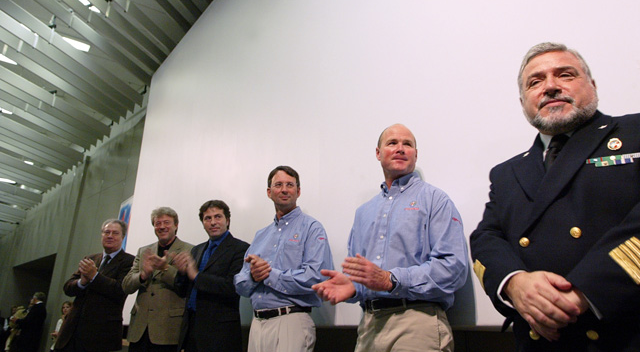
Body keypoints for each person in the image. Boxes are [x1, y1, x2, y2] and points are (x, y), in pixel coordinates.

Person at [470, 42, 640, 351]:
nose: (550, 86)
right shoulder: (506, 173)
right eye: (535, 82)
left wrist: (583, 292)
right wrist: (514, 282)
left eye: (565, 75)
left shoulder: (634, 132)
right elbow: (486, 238)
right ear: (524, 102)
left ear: (592, 85)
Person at [313, 124, 469, 352]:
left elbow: (453, 268)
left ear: (416, 154)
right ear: (378, 153)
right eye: (392, 143)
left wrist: (391, 279)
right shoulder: (363, 213)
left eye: (408, 144)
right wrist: (354, 287)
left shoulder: (436, 200)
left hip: (417, 322)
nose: (400, 148)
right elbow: (364, 276)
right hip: (369, 327)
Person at [234, 166, 334, 352]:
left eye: (290, 185)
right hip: (257, 325)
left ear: (298, 191)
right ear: (269, 192)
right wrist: (253, 277)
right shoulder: (261, 235)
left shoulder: (312, 228)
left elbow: (317, 278)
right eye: (278, 185)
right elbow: (240, 283)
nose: (284, 189)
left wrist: (269, 274)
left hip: (291, 322)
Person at [174, 200, 249, 352]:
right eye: (207, 218)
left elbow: (232, 286)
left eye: (218, 217)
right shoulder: (197, 250)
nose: (213, 222)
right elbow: (182, 291)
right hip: (191, 328)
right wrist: (182, 274)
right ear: (203, 223)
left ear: (227, 221)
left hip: (220, 333)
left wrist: (196, 276)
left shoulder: (241, 248)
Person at [54, 219, 135, 352]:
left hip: (100, 336)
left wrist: (94, 276)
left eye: (115, 233)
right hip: (72, 332)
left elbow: (120, 290)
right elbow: (68, 288)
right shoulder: (91, 259)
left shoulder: (130, 261)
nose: (110, 236)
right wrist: (82, 282)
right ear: (101, 235)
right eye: (106, 232)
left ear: (123, 237)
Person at [122, 207, 193, 352]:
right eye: (157, 223)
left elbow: (187, 287)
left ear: (176, 225)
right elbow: (126, 286)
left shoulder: (190, 250)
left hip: (168, 330)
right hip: (139, 329)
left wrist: (165, 268)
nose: (162, 226)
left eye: (166, 222)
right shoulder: (144, 251)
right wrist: (143, 275)